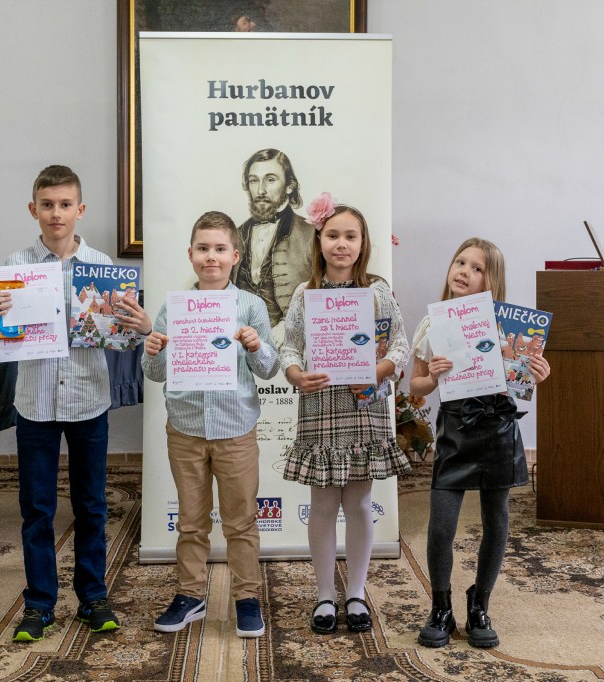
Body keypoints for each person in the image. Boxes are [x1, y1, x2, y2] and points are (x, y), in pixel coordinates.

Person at [0, 165, 151, 642]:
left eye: (65, 204)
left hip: (88, 401)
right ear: (33, 209)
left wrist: (135, 325)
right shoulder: (16, 266)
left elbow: (122, 338)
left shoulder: (102, 267)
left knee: (91, 506)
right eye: (48, 205)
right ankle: (39, 604)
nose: (57, 213)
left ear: (80, 209)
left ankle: (93, 597)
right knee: (36, 508)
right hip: (34, 403)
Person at [142, 211, 279, 638]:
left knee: (241, 521)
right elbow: (155, 373)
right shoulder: (174, 308)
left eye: (220, 249)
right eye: (203, 249)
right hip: (185, 429)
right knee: (190, 521)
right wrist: (152, 350)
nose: (211, 257)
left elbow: (270, 369)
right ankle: (190, 595)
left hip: (235, 429)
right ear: (191, 254)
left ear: (235, 255)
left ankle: (246, 597)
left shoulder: (251, 306)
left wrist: (256, 347)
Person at [279, 193, 411, 634]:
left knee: (358, 503)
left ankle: (355, 592)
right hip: (319, 405)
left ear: (363, 243)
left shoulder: (377, 293)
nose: (341, 244)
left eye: (350, 236)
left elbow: (399, 346)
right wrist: (296, 374)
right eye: (333, 235)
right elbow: (290, 347)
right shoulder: (305, 294)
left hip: (363, 407)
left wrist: (377, 371)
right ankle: (324, 595)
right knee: (321, 505)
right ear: (319, 241)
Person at [409, 238, 551, 649]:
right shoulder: (432, 324)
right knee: (441, 526)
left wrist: (537, 373)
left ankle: (480, 604)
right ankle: (440, 607)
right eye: (460, 262)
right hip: (455, 431)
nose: (464, 272)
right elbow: (416, 385)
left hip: (498, 429)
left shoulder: (511, 329)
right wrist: (432, 376)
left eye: (476, 268)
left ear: (492, 281)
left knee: (497, 521)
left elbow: (522, 380)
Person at [231, 148, 315, 337]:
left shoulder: (311, 233)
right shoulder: (235, 235)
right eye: (254, 181)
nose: (260, 190)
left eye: (270, 180)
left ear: (289, 186)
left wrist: (287, 326)